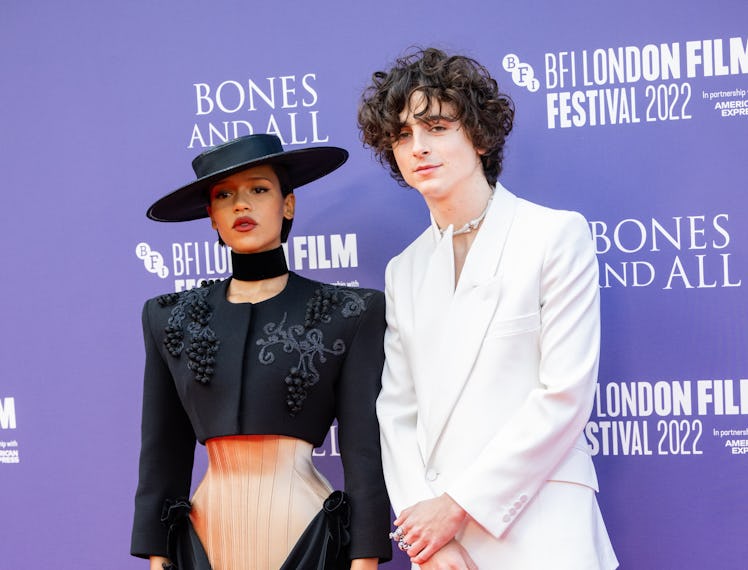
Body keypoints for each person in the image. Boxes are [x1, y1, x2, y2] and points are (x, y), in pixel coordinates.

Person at [357, 48, 618, 569]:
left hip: (543, 529)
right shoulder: (403, 270)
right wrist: (424, 534)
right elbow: (398, 413)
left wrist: (457, 508)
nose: (419, 147)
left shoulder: (553, 236)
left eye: (435, 126)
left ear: (478, 135)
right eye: (404, 135)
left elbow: (563, 396)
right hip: (443, 547)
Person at [130, 134, 392, 570]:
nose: (240, 205)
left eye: (259, 189)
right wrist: (157, 555)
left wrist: (364, 559)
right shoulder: (168, 318)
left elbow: (364, 450)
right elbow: (162, 452)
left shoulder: (351, 311)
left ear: (287, 204)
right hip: (204, 536)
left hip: (306, 535)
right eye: (224, 195)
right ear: (211, 217)